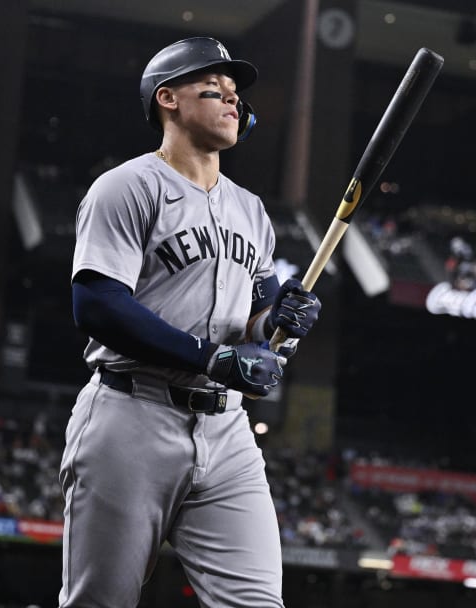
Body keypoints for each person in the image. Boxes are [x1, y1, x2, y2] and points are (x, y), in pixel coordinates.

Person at [59, 37, 321, 608]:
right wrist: (212, 357)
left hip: (226, 431)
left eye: (236, 96)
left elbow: (259, 321)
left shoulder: (251, 210)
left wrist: (284, 321)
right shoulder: (127, 186)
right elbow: (97, 304)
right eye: (215, 90)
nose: (234, 102)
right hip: (132, 414)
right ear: (168, 99)